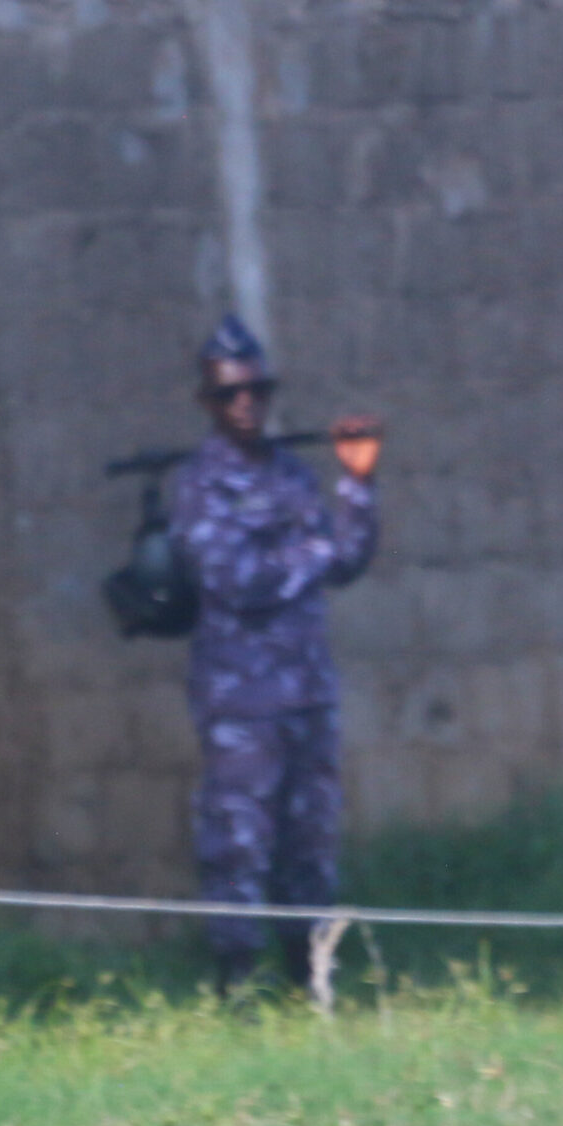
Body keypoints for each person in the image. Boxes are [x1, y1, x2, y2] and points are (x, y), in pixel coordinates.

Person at [168, 315, 383, 994]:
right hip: (241, 703)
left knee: (310, 843)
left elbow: (347, 560)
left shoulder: (293, 474)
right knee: (239, 842)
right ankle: (234, 979)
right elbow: (239, 581)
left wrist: (357, 484)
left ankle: (309, 978)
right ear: (208, 402)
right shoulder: (200, 485)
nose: (246, 403)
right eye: (230, 393)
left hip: (308, 693)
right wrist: (313, 552)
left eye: (257, 390)